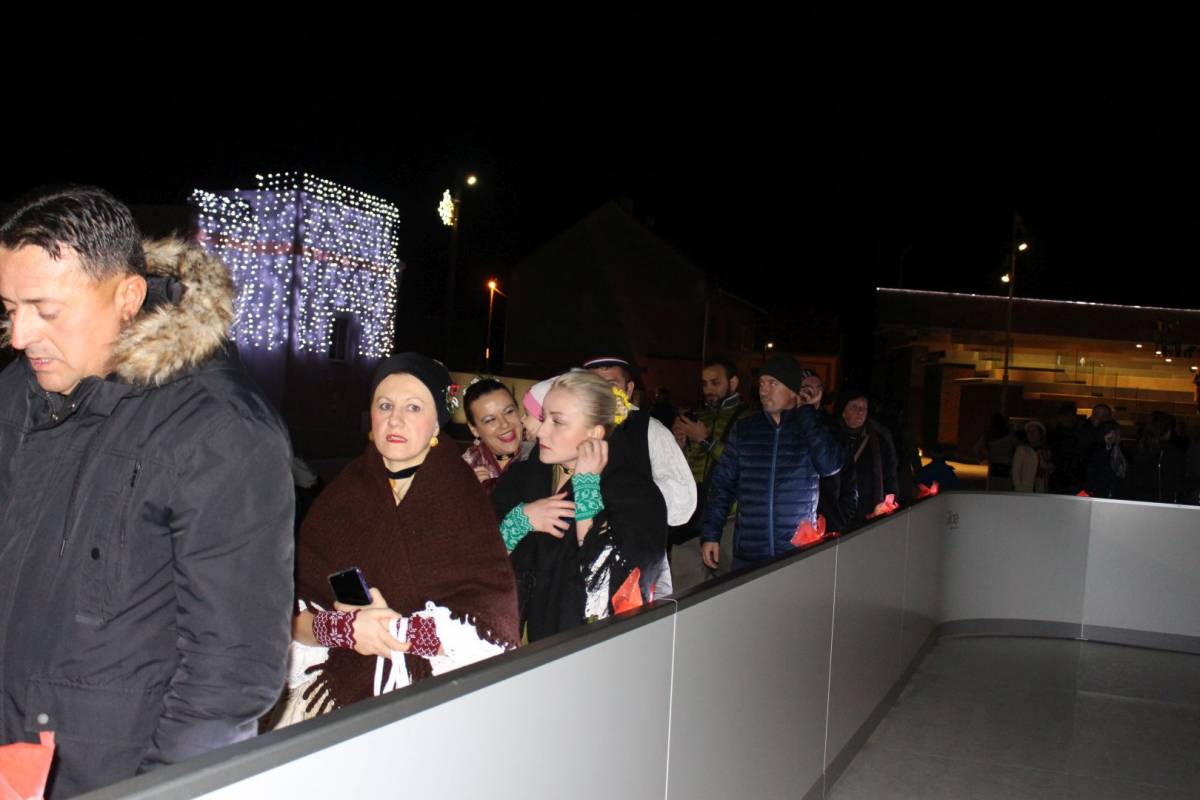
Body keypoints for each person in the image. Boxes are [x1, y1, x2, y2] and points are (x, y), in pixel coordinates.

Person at [0, 186, 295, 798]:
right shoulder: (15, 394)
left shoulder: (220, 429)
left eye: (45, 310)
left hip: (103, 778)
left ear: (128, 297)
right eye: (9, 308)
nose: (20, 335)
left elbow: (231, 672)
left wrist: (159, 793)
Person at [286, 354, 520, 720]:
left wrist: (394, 630)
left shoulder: (461, 500)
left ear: (437, 422)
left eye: (413, 407)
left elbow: (490, 627)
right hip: (334, 701)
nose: (395, 419)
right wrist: (343, 630)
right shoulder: (338, 499)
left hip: (433, 704)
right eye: (385, 406)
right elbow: (291, 619)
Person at [492, 372, 667, 641]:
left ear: (594, 433)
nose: (542, 431)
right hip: (510, 642)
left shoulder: (635, 493)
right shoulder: (522, 477)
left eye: (557, 422)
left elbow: (612, 587)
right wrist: (519, 520)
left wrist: (586, 491)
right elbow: (477, 562)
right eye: (543, 418)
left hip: (583, 648)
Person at [700, 356, 843, 570]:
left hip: (798, 553)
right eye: (761, 383)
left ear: (793, 391)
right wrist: (711, 534)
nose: (764, 390)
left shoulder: (811, 427)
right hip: (749, 554)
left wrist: (806, 413)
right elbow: (723, 485)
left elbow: (829, 465)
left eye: (773, 383)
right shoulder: (745, 429)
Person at [671, 358, 748, 584]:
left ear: (733, 383)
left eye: (715, 383)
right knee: (686, 589)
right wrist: (678, 446)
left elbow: (743, 466)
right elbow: (684, 468)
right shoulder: (696, 417)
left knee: (730, 586)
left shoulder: (749, 418)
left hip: (729, 519)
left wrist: (705, 440)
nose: (708, 390)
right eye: (704, 384)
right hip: (692, 519)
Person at [839, 389, 901, 524]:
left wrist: (889, 503)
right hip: (837, 512)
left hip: (868, 512)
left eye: (864, 408)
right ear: (843, 411)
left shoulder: (879, 441)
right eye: (854, 406)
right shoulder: (830, 436)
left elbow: (889, 476)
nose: (860, 411)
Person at [461, 378, 528, 494]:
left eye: (509, 412)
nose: (504, 424)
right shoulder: (464, 469)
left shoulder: (541, 456)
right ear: (474, 429)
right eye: (490, 420)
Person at [975, 412, 1016, 491]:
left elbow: (975, 449)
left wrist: (983, 459)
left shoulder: (988, 435)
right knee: (1006, 491)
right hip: (1007, 468)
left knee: (993, 491)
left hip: (994, 467)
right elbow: (1019, 447)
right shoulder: (1010, 436)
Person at [1012, 420, 1052, 493]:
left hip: (1040, 490)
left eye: (1034, 431)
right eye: (1029, 431)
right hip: (1025, 490)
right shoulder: (1022, 450)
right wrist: (1018, 488)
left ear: (1040, 434)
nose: (1031, 434)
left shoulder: (1045, 451)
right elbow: (1015, 472)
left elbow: (1047, 472)